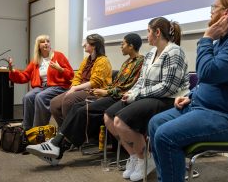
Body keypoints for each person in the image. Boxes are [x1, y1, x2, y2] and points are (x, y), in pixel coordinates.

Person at [148, 0, 228, 182]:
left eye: (215, 7)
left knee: (165, 136)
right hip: (206, 109)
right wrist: (191, 95)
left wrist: (206, 39)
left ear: (227, 12)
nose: (211, 11)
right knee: (156, 123)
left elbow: (208, 73)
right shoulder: (225, 41)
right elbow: (208, 81)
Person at [26, 33, 144, 166]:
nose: (121, 46)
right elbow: (82, 77)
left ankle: (57, 145)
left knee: (77, 107)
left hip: (113, 96)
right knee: (71, 106)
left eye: (123, 43)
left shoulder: (138, 62)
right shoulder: (126, 62)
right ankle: (58, 145)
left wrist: (106, 91)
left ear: (131, 46)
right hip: (107, 93)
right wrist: (75, 86)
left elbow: (125, 86)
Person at [104, 17, 190, 181]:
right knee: (108, 117)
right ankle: (135, 156)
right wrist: (132, 93)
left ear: (157, 33)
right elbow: (141, 81)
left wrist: (138, 94)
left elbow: (168, 88)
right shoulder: (150, 54)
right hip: (150, 96)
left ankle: (145, 158)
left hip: (171, 100)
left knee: (120, 121)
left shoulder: (175, 52)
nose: (147, 35)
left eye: (148, 31)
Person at [8, 34, 74, 130]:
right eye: (43, 42)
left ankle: (39, 131)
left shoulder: (58, 56)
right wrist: (12, 70)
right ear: (38, 46)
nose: (46, 43)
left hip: (58, 86)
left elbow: (71, 75)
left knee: (40, 97)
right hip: (42, 87)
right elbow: (24, 76)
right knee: (27, 97)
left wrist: (60, 69)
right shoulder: (36, 60)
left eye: (48, 41)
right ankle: (27, 129)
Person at [50, 34, 112, 127]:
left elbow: (95, 82)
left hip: (94, 91)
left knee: (68, 101)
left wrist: (75, 89)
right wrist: (74, 86)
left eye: (86, 43)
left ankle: (71, 135)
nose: (84, 45)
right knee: (54, 103)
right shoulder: (87, 59)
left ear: (94, 45)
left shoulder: (103, 61)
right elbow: (78, 76)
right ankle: (63, 131)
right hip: (81, 89)